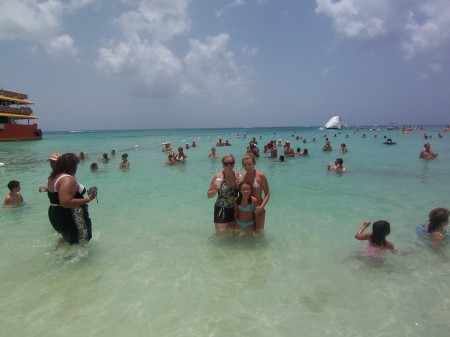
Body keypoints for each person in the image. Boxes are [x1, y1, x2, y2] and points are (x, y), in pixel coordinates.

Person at [47, 153, 97, 244]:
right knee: (82, 241)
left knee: (69, 239)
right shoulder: (67, 179)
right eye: (76, 165)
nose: (77, 167)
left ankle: (57, 253)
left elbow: (56, 195)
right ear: (72, 165)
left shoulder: (53, 177)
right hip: (70, 215)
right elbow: (65, 202)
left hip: (55, 213)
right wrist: (88, 199)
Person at [207, 154, 239, 236]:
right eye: (226, 163)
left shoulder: (238, 176)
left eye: (231, 163)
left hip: (235, 210)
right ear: (222, 164)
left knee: (233, 236)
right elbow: (209, 195)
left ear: (234, 163)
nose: (229, 165)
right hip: (221, 209)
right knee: (220, 236)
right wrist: (215, 189)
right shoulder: (218, 177)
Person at [242, 153, 270, 237]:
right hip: (246, 210)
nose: (247, 167)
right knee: (248, 234)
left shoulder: (261, 176)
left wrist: (262, 207)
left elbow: (267, 194)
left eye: (250, 164)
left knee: (259, 233)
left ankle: (261, 250)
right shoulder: (242, 177)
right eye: (245, 165)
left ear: (254, 164)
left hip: (258, 209)